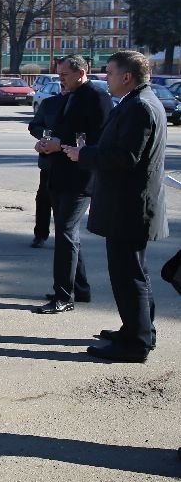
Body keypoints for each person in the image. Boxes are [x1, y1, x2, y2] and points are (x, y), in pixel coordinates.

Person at [64, 50, 167, 362]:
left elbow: (125, 157)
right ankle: (138, 330)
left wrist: (84, 156)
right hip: (130, 206)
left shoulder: (139, 107)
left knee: (128, 275)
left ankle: (135, 344)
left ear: (127, 77)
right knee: (134, 271)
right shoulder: (140, 101)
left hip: (129, 208)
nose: (104, 78)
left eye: (109, 73)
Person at [32, 56, 113, 314]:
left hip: (80, 177)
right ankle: (81, 288)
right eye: (59, 75)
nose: (61, 80)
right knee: (69, 235)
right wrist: (47, 144)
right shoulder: (70, 96)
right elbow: (60, 131)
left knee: (65, 233)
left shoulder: (97, 97)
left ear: (81, 72)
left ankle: (63, 295)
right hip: (59, 173)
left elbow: (100, 137)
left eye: (65, 74)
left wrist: (60, 144)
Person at [27, 88, 64, 252]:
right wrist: (44, 136)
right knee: (43, 199)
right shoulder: (49, 103)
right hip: (49, 161)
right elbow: (34, 125)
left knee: (65, 202)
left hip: (71, 162)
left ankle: (64, 236)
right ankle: (40, 234)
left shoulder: (79, 103)